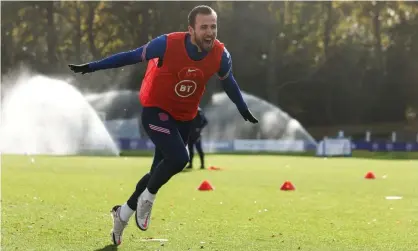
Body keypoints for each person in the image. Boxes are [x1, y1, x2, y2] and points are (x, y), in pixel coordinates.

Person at [68, 5, 258, 246]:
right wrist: (92, 66)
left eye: (213, 26)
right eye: (204, 27)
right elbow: (130, 56)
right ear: (191, 30)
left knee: (158, 170)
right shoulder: (167, 44)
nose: (210, 32)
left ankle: (122, 214)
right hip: (156, 111)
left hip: (185, 118)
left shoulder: (221, 55)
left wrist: (243, 109)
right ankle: (148, 198)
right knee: (180, 158)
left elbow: (229, 82)